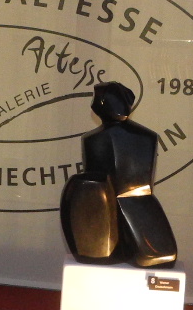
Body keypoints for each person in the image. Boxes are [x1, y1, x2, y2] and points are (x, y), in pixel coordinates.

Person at [59, 81, 177, 267]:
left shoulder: (93, 139)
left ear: (102, 104)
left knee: (153, 254)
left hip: (129, 205)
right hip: (133, 206)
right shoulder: (146, 136)